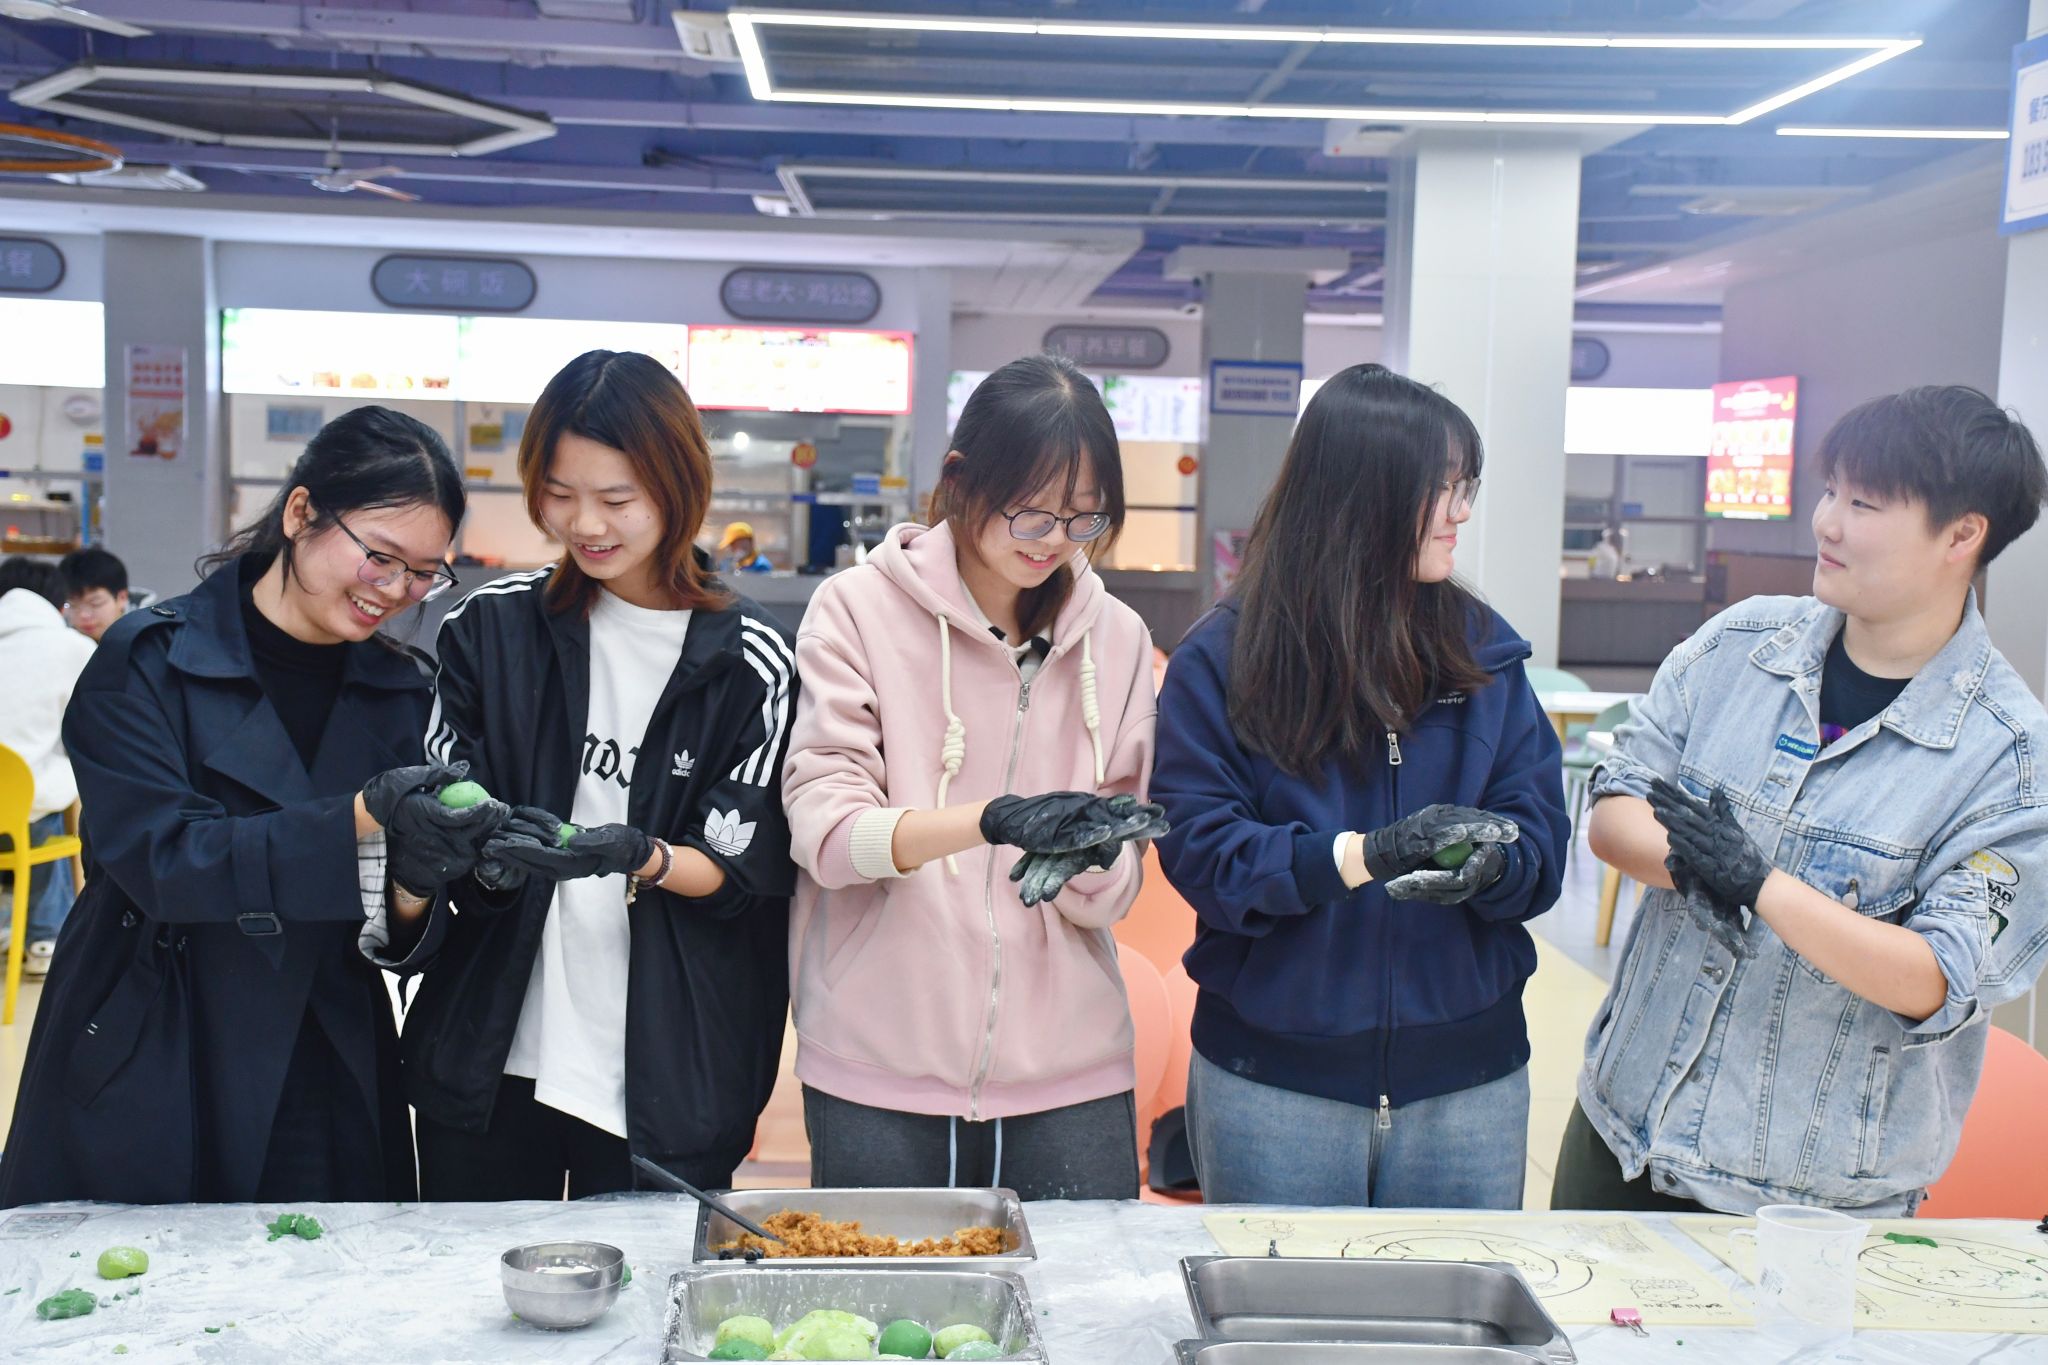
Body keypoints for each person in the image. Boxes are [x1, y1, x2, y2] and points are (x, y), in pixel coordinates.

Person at [1557, 385, 2048, 1216]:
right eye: (1830, 492)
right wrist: (1692, 862)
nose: (1826, 523)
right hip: (1623, 1132)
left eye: (1864, 504)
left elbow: (1936, 976)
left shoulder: (2008, 757)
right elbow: (1617, 807)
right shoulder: (1738, 645)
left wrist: (1761, 885)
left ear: (1963, 534)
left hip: (1806, 1204)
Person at [0, 407, 499, 1206]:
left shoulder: (403, 692)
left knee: (324, 1275)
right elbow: (167, 861)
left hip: (322, 1050)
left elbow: (408, 938)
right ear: (300, 512)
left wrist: (417, 882)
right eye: (379, 556)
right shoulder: (148, 660)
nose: (395, 590)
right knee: (138, 1277)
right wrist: (359, 818)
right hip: (157, 1031)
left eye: (422, 572)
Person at [1151, 363, 1570, 1209]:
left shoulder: (1485, 656)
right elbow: (1204, 854)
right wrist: (1358, 856)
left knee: (1456, 1299)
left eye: (1466, 487)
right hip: (1274, 1085)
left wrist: (1496, 864)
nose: (1460, 512)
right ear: (1362, 494)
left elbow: (1541, 837)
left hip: (1470, 1087)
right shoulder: (1225, 661)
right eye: (1441, 488)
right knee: (1282, 1299)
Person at [394, 350, 798, 1199]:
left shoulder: (749, 662)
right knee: (470, 1274)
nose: (586, 524)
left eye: (618, 499)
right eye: (560, 494)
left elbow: (741, 875)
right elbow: (440, 807)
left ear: (678, 487)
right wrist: (479, 848)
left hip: (666, 1071)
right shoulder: (488, 630)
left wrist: (638, 854)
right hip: (493, 1053)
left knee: (651, 1280)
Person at [782, 353, 1166, 1200]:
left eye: (1083, 516)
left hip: (1073, 1069)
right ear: (959, 480)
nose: (1053, 540)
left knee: (1084, 1286)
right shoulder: (856, 611)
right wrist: (989, 820)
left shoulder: (1118, 638)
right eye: (1030, 511)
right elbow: (829, 838)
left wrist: (1094, 861)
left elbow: (1118, 874)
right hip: (878, 1063)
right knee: (881, 1286)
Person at [0, 557, 96, 976]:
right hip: (24, 804)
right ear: (58, 603)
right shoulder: (71, 647)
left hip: (11, 793)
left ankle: (8, 923)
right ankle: (45, 935)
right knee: (51, 798)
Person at [58, 546, 131, 641]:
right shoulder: (60, 640)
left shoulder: (143, 641)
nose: (84, 615)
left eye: (95, 603)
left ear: (122, 598)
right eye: (72, 605)